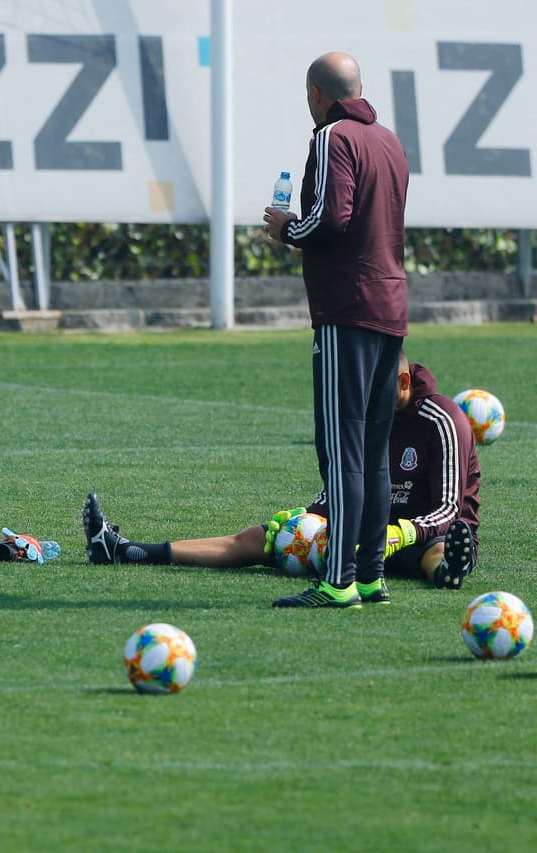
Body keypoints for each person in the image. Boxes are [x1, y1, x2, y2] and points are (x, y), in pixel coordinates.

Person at [83, 354, 480, 598]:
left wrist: (401, 534)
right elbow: (341, 491)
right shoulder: (361, 419)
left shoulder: (442, 418)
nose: (363, 403)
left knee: (439, 550)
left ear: (404, 383)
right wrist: (305, 518)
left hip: (424, 537)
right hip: (359, 540)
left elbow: (449, 508)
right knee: (263, 537)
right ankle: (125, 550)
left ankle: (448, 573)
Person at [262, 51, 410, 608]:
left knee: (340, 450)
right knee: (373, 452)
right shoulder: (390, 141)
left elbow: (329, 218)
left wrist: (286, 229)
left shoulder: (331, 138)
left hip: (347, 313)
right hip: (390, 307)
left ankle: (339, 580)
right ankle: (370, 575)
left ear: (317, 94)